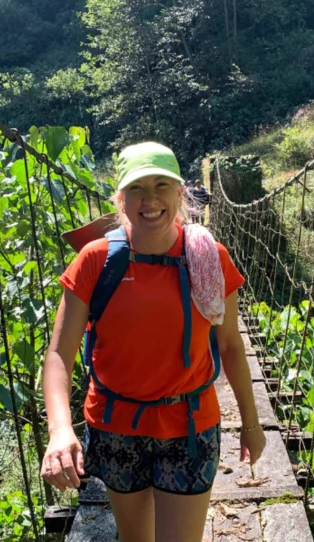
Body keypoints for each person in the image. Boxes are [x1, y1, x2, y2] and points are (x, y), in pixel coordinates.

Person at [41, 142, 266, 542]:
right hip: (115, 426)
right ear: (120, 200)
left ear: (180, 194)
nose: (150, 200)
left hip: (190, 427)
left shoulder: (209, 257)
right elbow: (60, 352)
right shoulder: (96, 260)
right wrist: (60, 429)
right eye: (136, 189)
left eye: (161, 185)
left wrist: (251, 424)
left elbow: (231, 347)